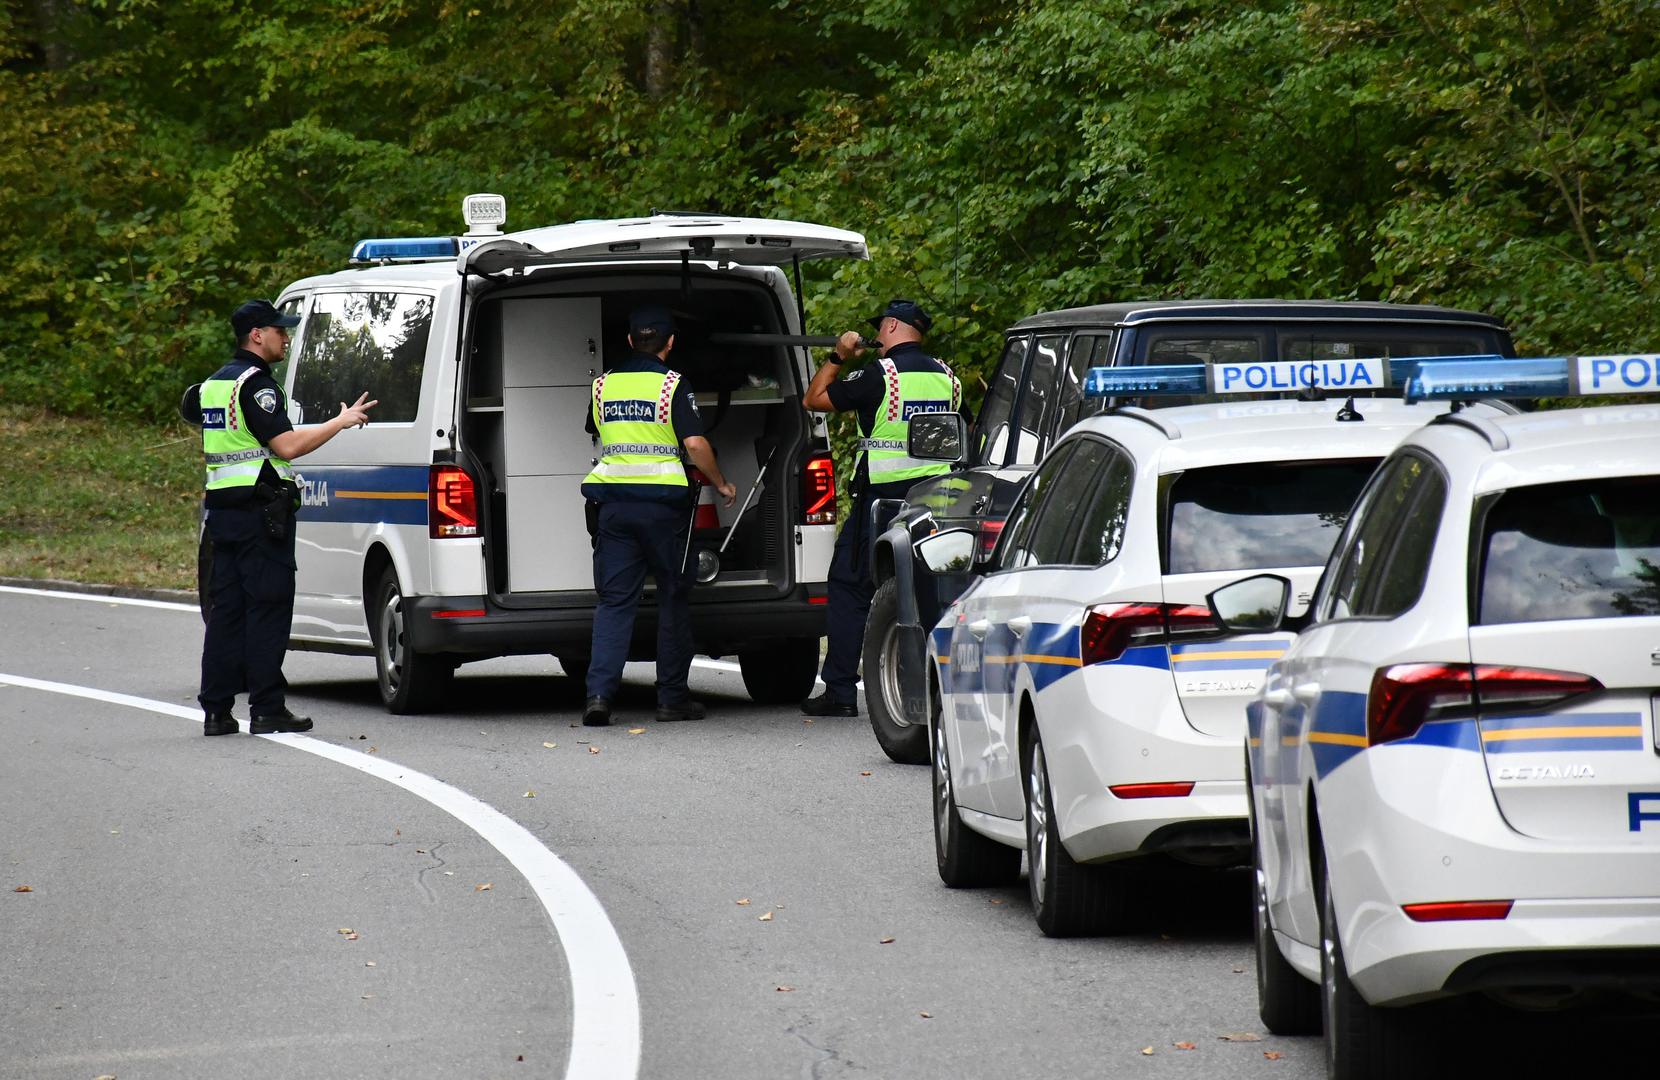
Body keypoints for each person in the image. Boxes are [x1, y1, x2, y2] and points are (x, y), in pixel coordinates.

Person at [190, 299, 376, 736]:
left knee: (227, 613)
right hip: (260, 515)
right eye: (279, 330)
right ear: (257, 335)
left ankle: (216, 711)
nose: (286, 337)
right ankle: (267, 708)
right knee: (268, 609)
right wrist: (340, 422)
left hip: (223, 513)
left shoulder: (213, 385)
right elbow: (287, 446)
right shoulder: (257, 386)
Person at [800, 299, 961, 716]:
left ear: (891, 326)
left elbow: (813, 399)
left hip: (883, 503)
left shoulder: (880, 374)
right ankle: (937, 689)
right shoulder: (948, 376)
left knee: (849, 585)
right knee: (927, 589)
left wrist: (839, 356)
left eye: (880, 328)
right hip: (937, 502)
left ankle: (840, 691)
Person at [581, 306, 735, 727]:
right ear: (670, 343)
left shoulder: (602, 385)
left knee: (614, 602)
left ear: (631, 341)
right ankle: (672, 699)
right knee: (672, 597)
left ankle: (599, 696)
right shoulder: (672, 384)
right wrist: (721, 483)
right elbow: (695, 444)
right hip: (664, 510)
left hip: (614, 506)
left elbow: (595, 429)